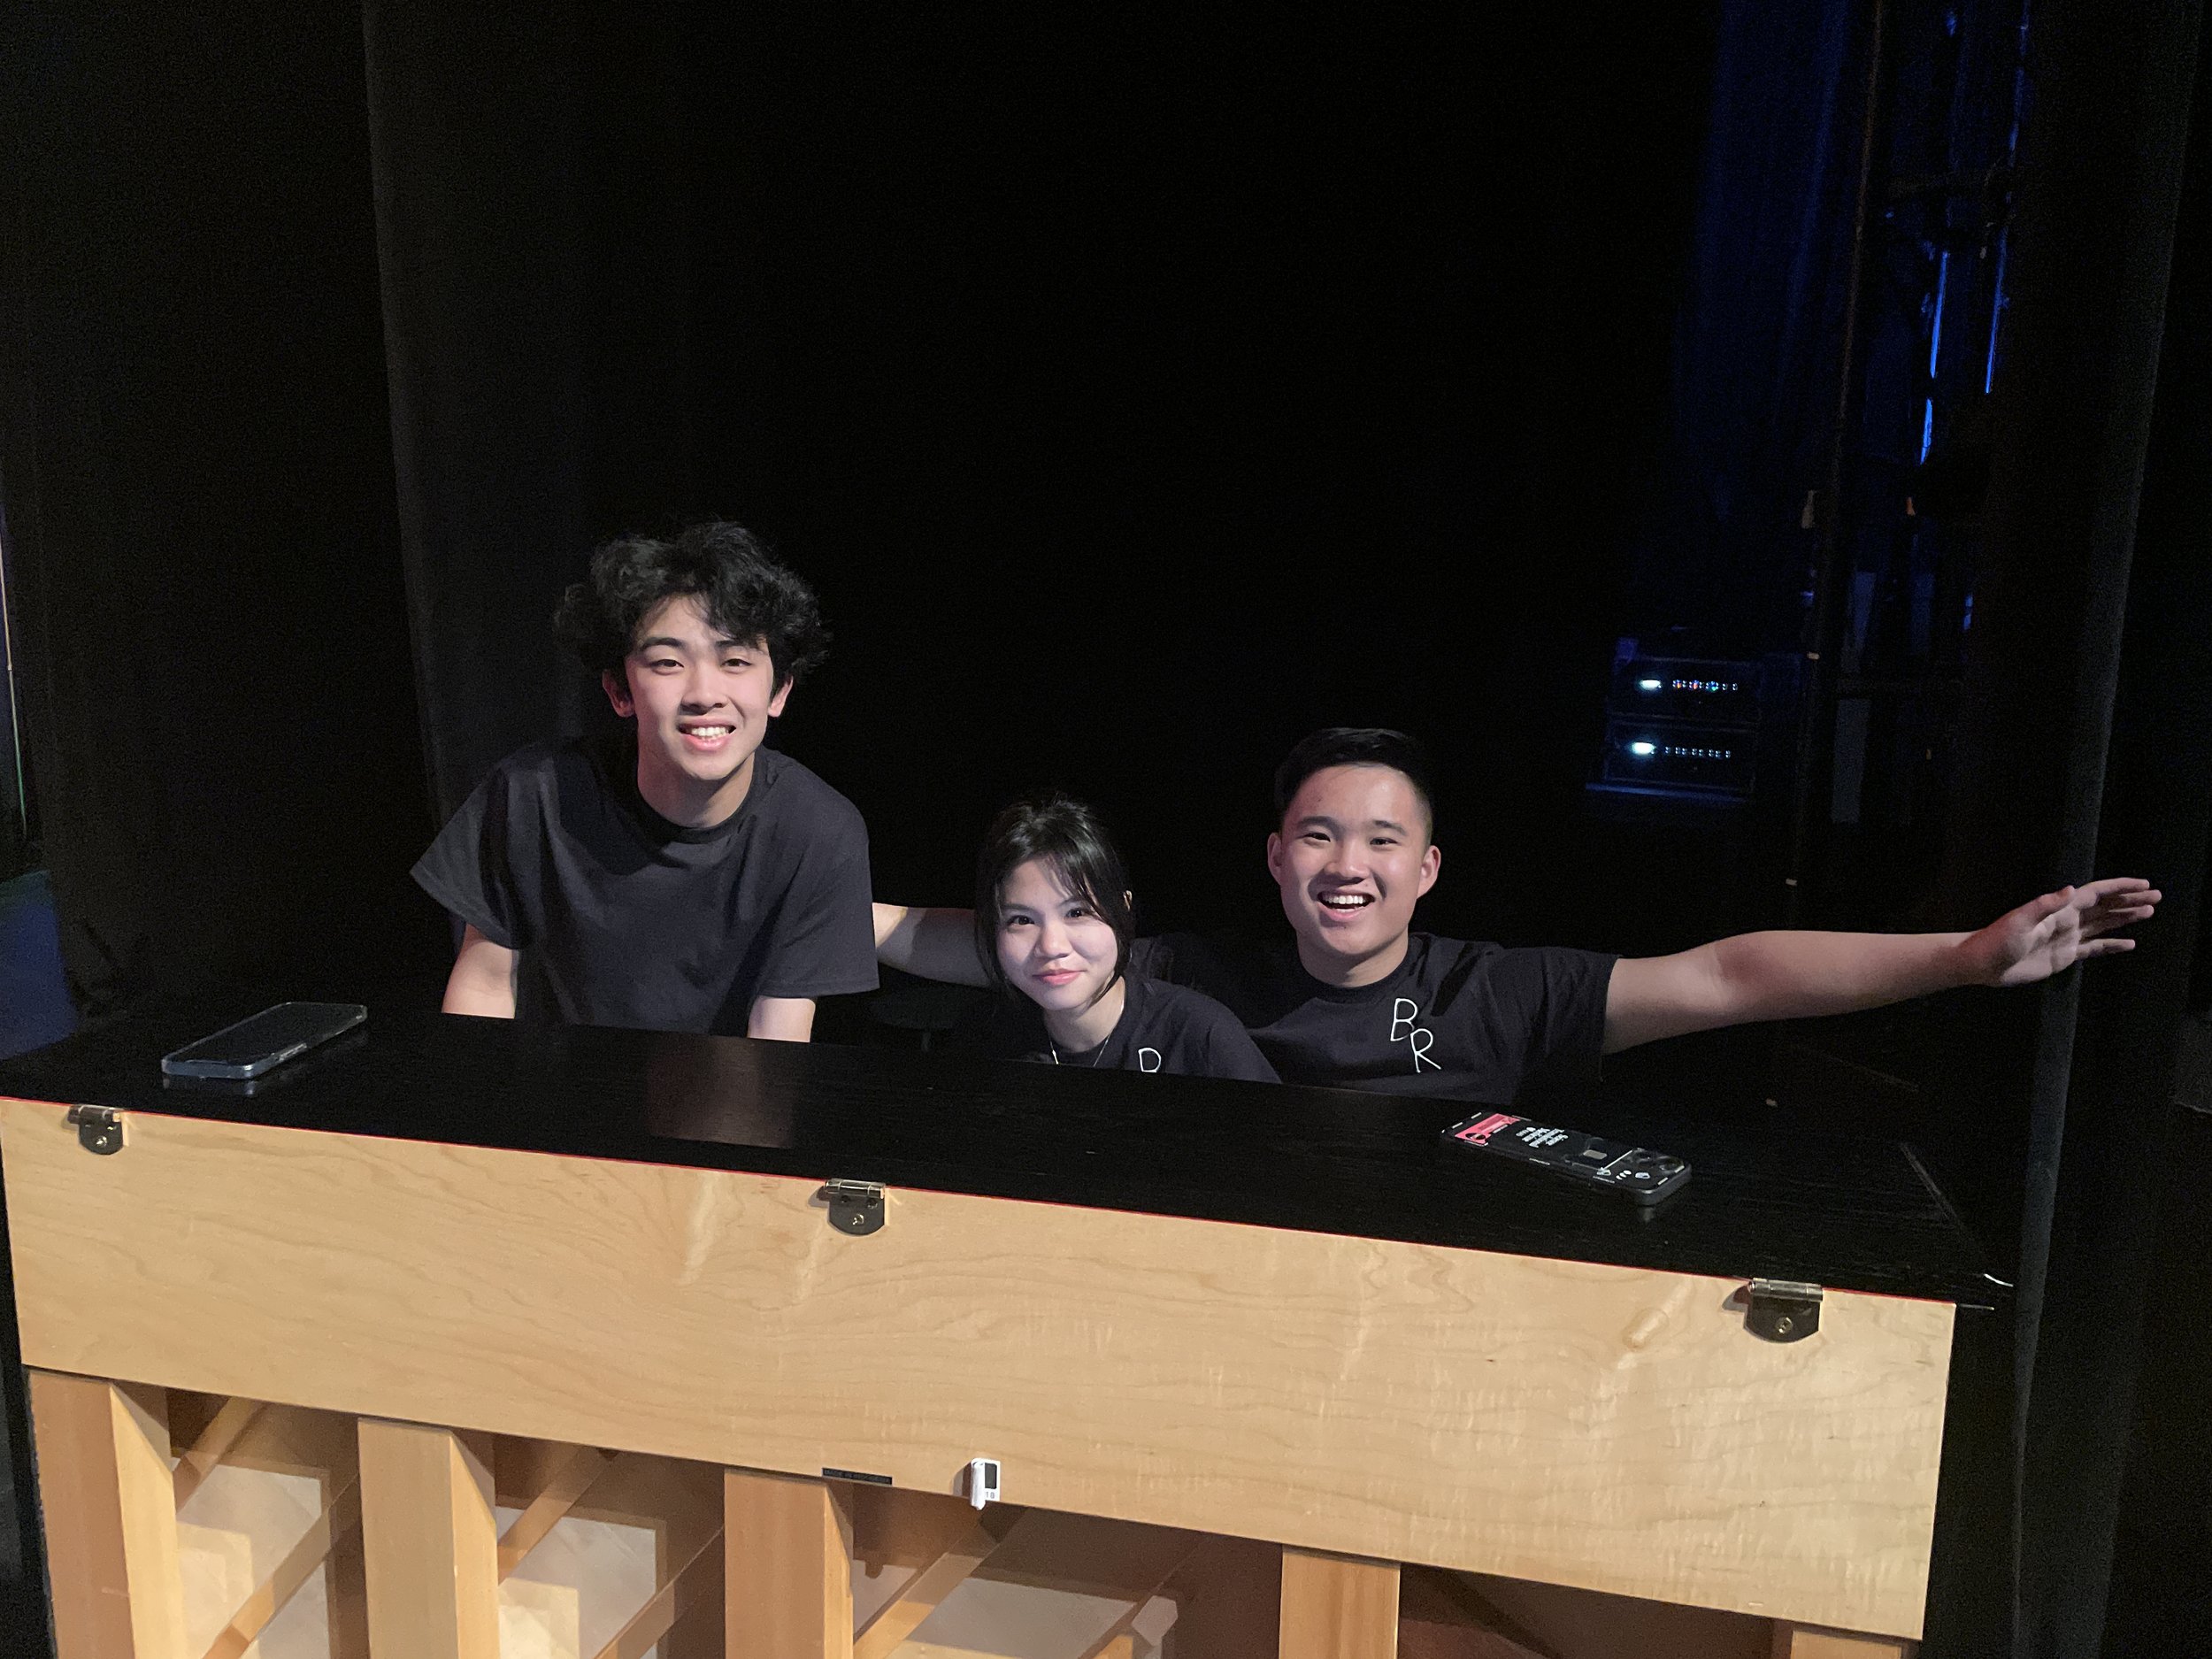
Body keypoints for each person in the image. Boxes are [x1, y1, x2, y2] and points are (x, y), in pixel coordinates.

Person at [876, 728, 2160, 1100]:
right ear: (1276, 855)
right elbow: (967, 935)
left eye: (1384, 839)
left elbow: (1727, 975)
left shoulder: (1503, 989)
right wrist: (794, 892)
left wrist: (1963, 954)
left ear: (1427, 869)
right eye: (1319, 834)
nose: (1349, 863)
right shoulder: (1188, 969)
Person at [413, 521, 878, 1039]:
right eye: (668, 662)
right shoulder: (533, 794)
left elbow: (777, 1037)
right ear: (619, 692)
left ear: (779, 691)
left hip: (723, 1105)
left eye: (736, 661)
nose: (705, 692)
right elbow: (483, 987)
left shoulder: (817, 831)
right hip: (551, 1099)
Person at [959, 795, 1276, 1080]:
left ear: (1123, 911)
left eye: (1077, 913)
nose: (1052, 947)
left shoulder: (1199, 1036)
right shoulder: (988, 1037)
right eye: (1022, 920)